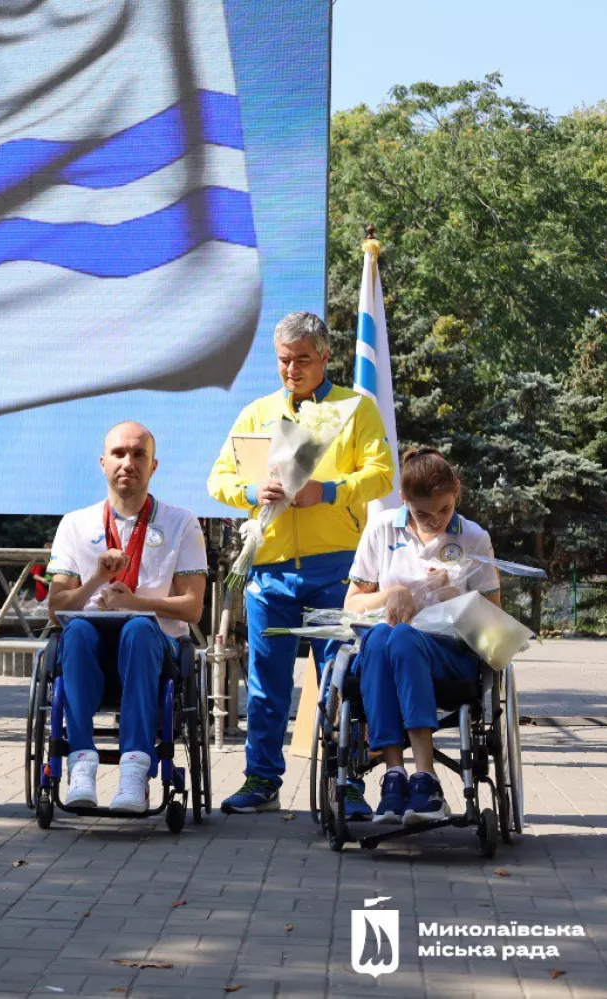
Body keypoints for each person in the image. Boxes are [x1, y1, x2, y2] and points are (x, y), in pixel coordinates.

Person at [207, 312, 393, 814]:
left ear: (326, 355)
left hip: (336, 569)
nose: (292, 370)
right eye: (284, 361)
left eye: (303, 360)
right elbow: (218, 479)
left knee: (342, 682)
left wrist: (328, 491)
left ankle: (348, 783)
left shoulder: (355, 409)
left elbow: (381, 474)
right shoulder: (257, 412)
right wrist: (249, 490)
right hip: (268, 570)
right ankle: (261, 780)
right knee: (267, 687)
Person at [46, 422, 207, 812]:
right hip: (91, 650)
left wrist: (136, 603)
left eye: (139, 454)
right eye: (119, 454)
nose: (128, 463)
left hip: (156, 649)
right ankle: (81, 763)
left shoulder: (181, 522)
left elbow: (192, 607)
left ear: (154, 466)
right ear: (103, 463)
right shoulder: (76, 523)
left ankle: (135, 768)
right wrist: (99, 579)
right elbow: (56, 607)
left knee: (137, 628)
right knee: (79, 629)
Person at [344, 448, 502, 824]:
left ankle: (424, 775)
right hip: (386, 646)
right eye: (422, 513)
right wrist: (390, 594)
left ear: (457, 493)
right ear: (404, 500)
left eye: (444, 510)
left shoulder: (474, 538)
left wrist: (453, 594)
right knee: (385, 638)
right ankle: (397, 777)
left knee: (398, 639)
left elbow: (494, 621)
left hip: (449, 650)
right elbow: (351, 604)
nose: (434, 522)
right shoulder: (383, 529)